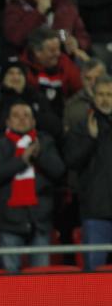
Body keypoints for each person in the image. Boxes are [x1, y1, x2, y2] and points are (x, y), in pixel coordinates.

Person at [0, 101, 65, 272]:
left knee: (40, 278)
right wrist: (23, 160)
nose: (22, 120)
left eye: (26, 116)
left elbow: (58, 171)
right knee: (11, 279)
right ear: (8, 122)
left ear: (34, 121)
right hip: (9, 221)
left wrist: (38, 157)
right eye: (16, 116)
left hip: (40, 219)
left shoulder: (45, 141)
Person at [64, 76, 112, 271]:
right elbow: (71, 161)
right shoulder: (81, 126)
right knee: (94, 273)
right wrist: (90, 140)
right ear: (93, 96)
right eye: (101, 94)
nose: (105, 99)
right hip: (95, 212)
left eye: (109, 95)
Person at [3, 0, 91, 59]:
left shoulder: (64, 4)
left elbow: (82, 35)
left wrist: (77, 42)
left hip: (63, 59)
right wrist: (38, 13)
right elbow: (15, 38)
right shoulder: (17, 6)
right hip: (30, 59)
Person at [20, 27, 82, 117]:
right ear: (37, 52)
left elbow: (78, 90)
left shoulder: (65, 63)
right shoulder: (23, 69)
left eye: (58, 49)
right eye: (52, 50)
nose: (57, 54)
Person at [64, 59, 107, 133]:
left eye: (97, 78)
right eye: (88, 78)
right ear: (82, 79)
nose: (92, 83)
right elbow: (70, 140)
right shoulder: (71, 106)